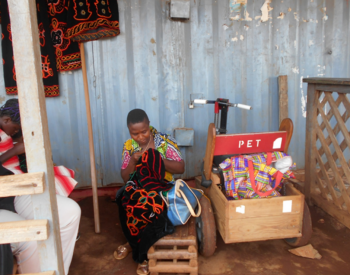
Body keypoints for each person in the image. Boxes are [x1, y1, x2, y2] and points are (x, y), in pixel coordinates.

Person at [0, 99, 81, 274]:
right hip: (6, 196)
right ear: (6, 121)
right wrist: (15, 150)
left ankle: (59, 271)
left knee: (71, 212)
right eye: (15, 129)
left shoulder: (7, 132)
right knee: (31, 235)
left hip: (18, 190)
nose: (16, 132)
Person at [115, 109, 185, 275]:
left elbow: (181, 168)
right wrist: (133, 160)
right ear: (129, 131)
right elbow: (125, 177)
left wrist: (156, 158)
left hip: (163, 185)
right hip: (138, 185)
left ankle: (142, 253)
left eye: (144, 131)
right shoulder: (129, 147)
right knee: (122, 197)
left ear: (149, 125)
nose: (141, 137)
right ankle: (133, 242)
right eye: (135, 133)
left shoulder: (164, 142)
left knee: (149, 204)